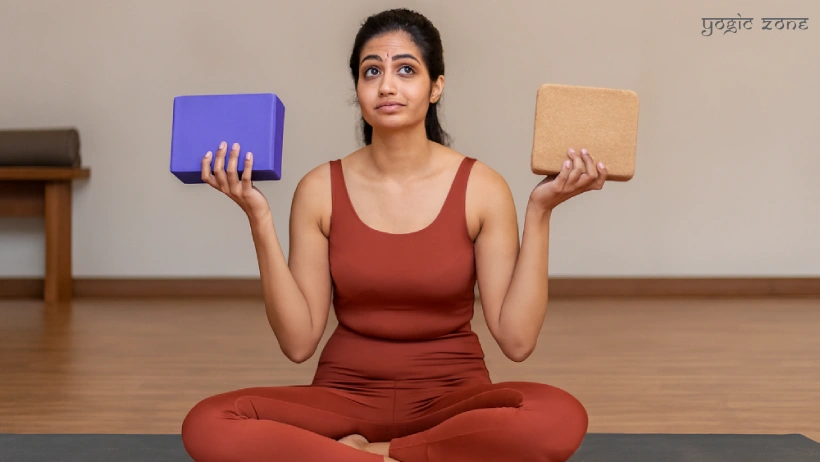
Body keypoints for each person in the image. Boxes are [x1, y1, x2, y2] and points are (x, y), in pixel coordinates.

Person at [181, 7, 607, 462]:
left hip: (452, 402)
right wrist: (259, 218)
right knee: (208, 423)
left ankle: (368, 455)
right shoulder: (319, 189)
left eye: (406, 69)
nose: (386, 85)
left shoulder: (482, 188)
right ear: (358, 88)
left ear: (435, 86)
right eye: (372, 71)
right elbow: (298, 343)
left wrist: (540, 211)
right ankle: (415, 456)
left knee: (557, 417)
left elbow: (517, 342)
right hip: (343, 399)